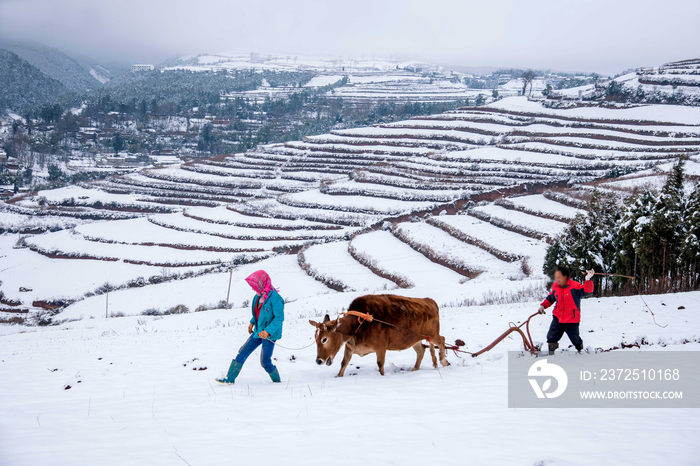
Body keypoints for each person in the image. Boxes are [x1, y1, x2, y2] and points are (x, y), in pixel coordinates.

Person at [216, 270, 284, 385]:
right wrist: (252, 322)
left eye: (254, 286)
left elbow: (279, 318)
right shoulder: (258, 297)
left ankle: (277, 382)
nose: (253, 289)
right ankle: (230, 378)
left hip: (269, 335)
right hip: (258, 331)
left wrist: (267, 332)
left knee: (265, 362)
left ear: (261, 284)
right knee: (242, 352)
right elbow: (259, 312)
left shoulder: (276, 298)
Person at [538, 266, 594, 355]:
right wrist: (543, 306)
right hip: (558, 318)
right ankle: (552, 355)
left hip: (571, 319)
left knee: (575, 340)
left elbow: (587, 291)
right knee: (551, 337)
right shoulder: (556, 287)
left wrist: (587, 280)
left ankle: (581, 353)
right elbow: (550, 298)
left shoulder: (575, 286)